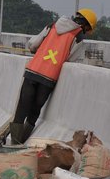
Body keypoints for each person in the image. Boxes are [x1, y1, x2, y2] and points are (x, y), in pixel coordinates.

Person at [7, 8, 97, 145]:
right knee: (35, 110)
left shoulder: (52, 25)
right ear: (86, 26)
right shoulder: (78, 37)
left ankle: (14, 142)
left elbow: (33, 44)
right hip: (49, 78)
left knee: (22, 108)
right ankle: (21, 142)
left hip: (33, 70)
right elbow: (71, 59)